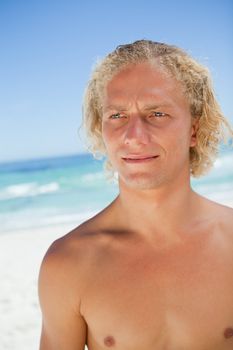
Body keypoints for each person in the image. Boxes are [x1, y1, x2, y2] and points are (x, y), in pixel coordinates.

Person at [38, 40, 233, 349]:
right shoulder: (68, 264)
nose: (134, 136)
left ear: (194, 130)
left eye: (156, 114)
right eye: (117, 116)